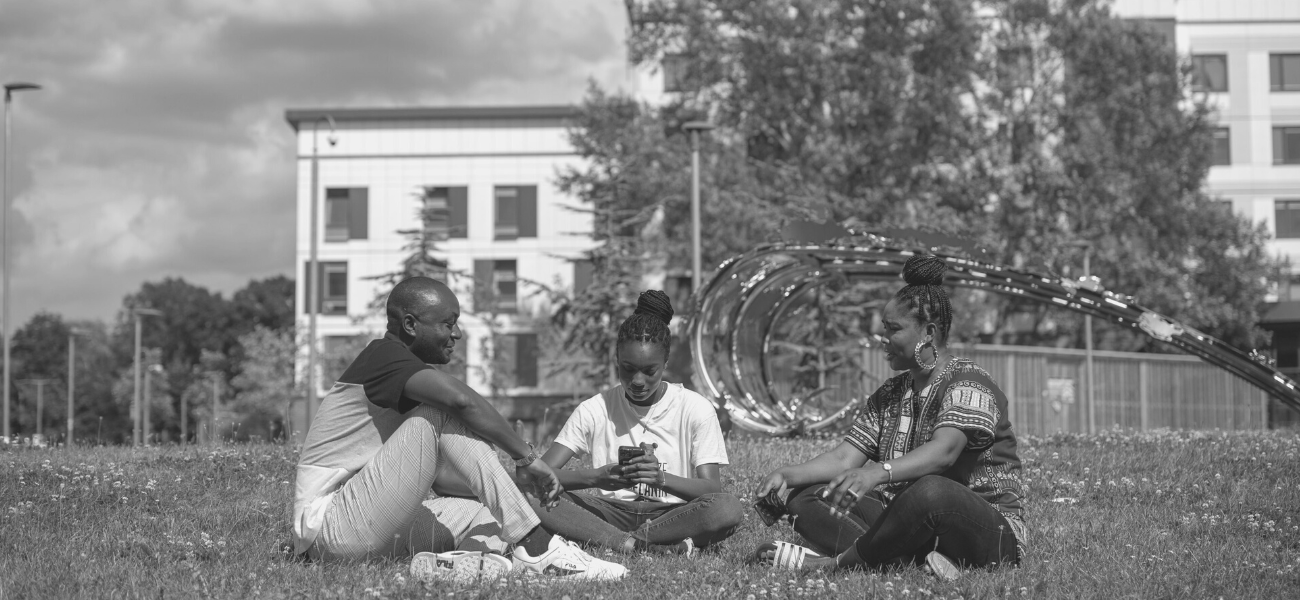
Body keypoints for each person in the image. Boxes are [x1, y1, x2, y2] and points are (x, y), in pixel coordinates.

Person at [291, 277, 626, 582]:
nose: (457, 334)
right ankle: (538, 549)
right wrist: (526, 457)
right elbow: (461, 402)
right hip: (331, 531)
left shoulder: (405, 379)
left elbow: (442, 480)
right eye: (448, 323)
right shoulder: (381, 358)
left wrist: (510, 486)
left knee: (488, 513)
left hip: (372, 526)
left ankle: (465, 566)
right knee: (439, 413)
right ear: (410, 324)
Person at [751, 255, 1027, 580]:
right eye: (884, 328)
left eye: (893, 329)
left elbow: (945, 452)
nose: (882, 338)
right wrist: (788, 474)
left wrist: (877, 474)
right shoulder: (890, 394)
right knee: (808, 496)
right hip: (907, 522)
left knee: (930, 491)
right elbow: (844, 458)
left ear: (929, 332)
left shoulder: (969, 383)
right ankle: (903, 562)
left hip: (986, 530)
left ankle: (835, 564)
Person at [528, 290, 743, 554]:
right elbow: (538, 476)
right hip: (610, 511)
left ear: (665, 363)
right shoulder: (594, 409)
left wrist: (660, 478)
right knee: (530, 496)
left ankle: (615, 540)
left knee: (727, 508)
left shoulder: (696, 408)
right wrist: (595, 478)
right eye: (628, 369)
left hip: (672, 514)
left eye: (649, 371)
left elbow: (712, 490)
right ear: (616, 360)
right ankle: (642, 545)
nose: (638, 381)